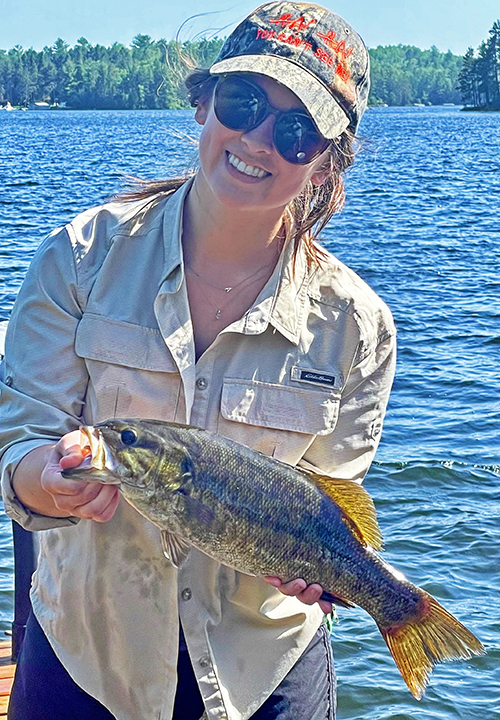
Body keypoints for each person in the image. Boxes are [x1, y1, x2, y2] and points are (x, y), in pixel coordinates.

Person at [0, 3, 396, 719]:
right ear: (203, 103)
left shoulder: (357, 325)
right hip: (88, 655)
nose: (259, 139)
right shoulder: (80, 259)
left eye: (297, 129)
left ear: (327, 157)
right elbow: (20, 439)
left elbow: (334, 500)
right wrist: (47, 482)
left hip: (263, 671)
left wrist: (326, 576)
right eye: (243, 103)